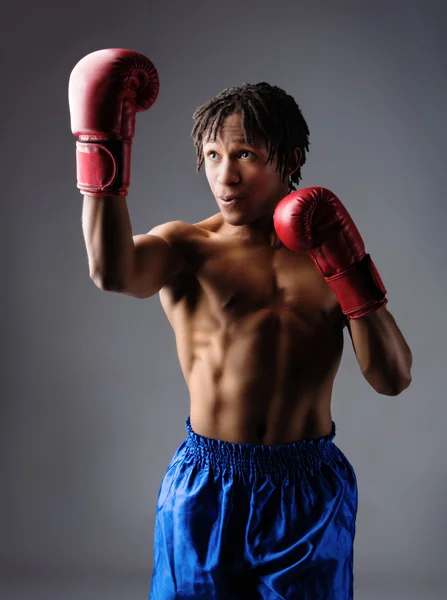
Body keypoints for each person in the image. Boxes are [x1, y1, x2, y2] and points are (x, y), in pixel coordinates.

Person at [69, 48, 413, 599]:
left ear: (292, 156)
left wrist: (352, 275)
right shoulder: (186, 247)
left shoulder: (327, 256)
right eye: (211, 154)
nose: (224, 175)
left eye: (245, 154)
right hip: (208, 482)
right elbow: (111, 272)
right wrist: (100, 152)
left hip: (309, 487)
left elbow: (392, 378)